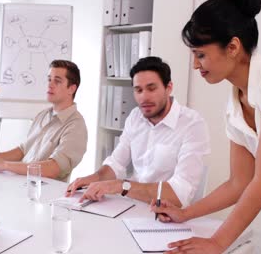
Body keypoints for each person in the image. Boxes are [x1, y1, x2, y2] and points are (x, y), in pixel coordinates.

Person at [151, 0, 261, 253]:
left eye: (200, 54)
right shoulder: (234, 106)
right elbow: (239, 182)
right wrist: (186, 213)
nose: (196, 66)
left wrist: (217, 242)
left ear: (232, 47)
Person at [67, 56, 210, 208]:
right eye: (138, 90)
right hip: (133, 207)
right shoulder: (135, 116)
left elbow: (179, 194)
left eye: (151, 88)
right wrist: (94, 178)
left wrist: (121, 186)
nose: (144, 97)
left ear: (168, 88)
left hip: (168, 215)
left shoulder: (192, 124)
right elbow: (116, 163)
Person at [0, 60, 88, 182]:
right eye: (49, 79)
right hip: (21, 183)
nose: (50, 85)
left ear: (71, 89)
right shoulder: (42, 115)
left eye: (57, 81)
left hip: (44, 193)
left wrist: (5, 165)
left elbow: (52, 169)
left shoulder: (76, 126)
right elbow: (23, 150)